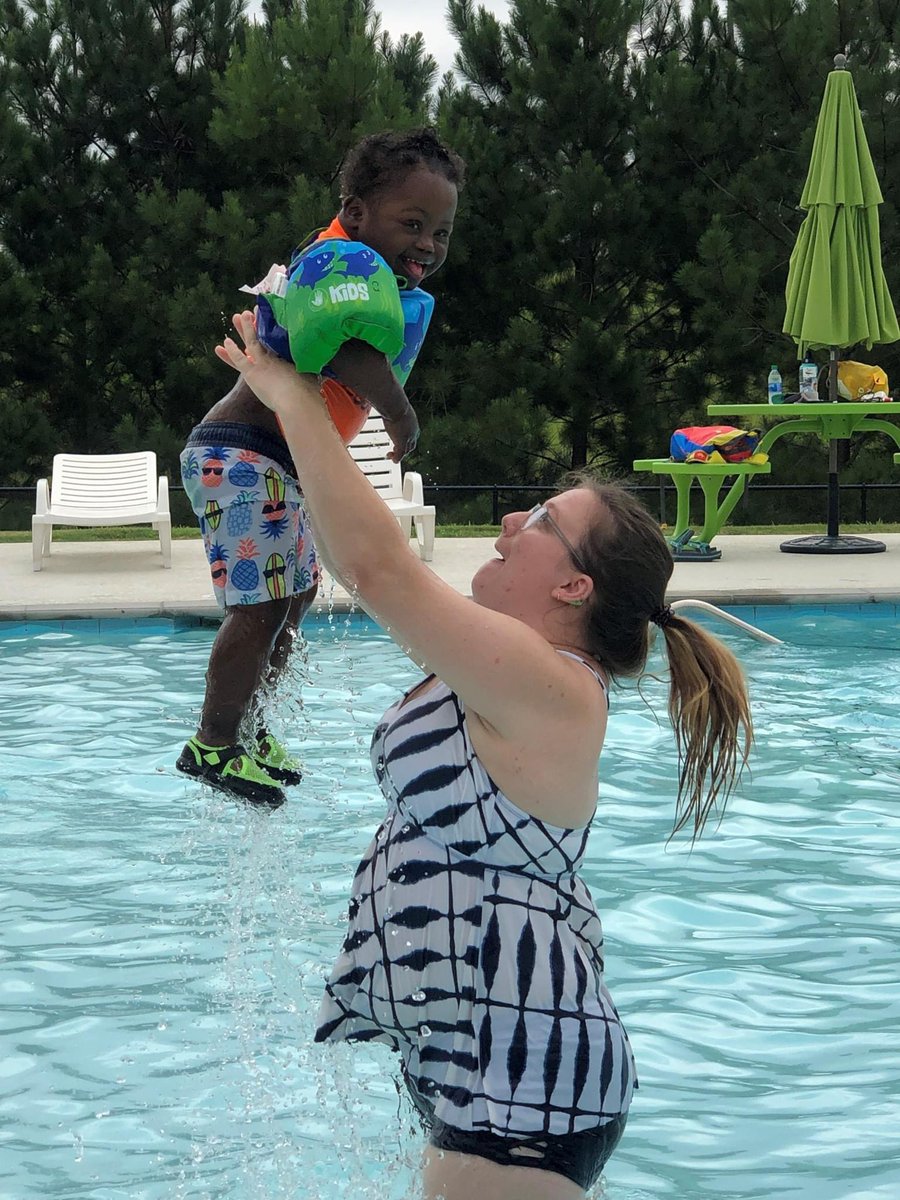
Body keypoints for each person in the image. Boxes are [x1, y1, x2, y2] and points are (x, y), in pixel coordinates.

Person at [213, 310, 753, 1198]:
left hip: (528, 1082)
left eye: (541, 518)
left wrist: (292, 397)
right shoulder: (502, 673)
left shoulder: (555, 688)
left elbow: (381, 571)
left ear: (574, 587)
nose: (509, 519)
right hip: (488, 1059)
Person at [176, 128, 464, 808]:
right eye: (413, 223)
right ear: (357, 213)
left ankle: (249, 727)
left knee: (292, 598)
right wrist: (399, 411)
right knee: (264, 604)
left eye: (442, 232)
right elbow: (339, 348)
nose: (427, 244)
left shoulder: (368, 272)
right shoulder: (340, 264)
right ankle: (212, 743)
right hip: (242, 453)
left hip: (274, 458)